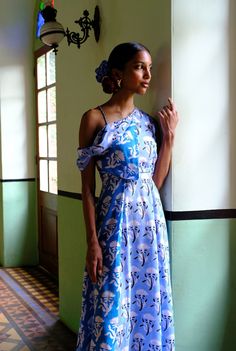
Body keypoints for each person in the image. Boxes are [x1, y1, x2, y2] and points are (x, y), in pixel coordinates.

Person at [76, 42, 178, 351]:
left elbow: (153, 182)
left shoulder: (148, 123)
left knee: (144, 308)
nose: (148, 75)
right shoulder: (95, 119)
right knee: (110, 310)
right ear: (119, 73)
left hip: (149, 230)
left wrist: (169, 139)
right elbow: (87, 189)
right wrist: (92, 242)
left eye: (149, 68)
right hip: (113, 228)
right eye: (139, 67)